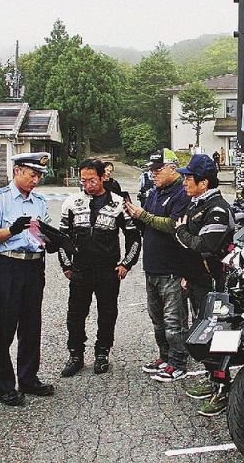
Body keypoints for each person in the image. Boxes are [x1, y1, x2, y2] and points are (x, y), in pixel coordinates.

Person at [0, 152, 55, 406]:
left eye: (39, 176)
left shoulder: (39, 200)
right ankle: (4, 385)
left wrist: (52, 240)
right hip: (9, 264)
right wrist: (13, 229)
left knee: (31, 324)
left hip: (34, 266)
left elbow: (43, 231)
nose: (36, 180)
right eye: (32, 174)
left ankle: (28, 377)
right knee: (4, 326)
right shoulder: (0, 198)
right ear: (17, 171)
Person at [58, 158, 141, 376]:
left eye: (91, 180)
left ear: (103, 176)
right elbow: (61, 237)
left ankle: (102, 353)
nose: (87, 185)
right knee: (75, 314)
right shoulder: (71, 203)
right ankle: (75, 354)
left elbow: (134, 237)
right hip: (80, 269)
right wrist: (66, 265)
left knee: (107, 313)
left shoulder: (118, 203)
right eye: (83, 181)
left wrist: (126, 263)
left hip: (108, 270)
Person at [173, 154, 234, 416]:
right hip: (197, 280)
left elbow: (204, 245)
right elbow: (192, 249)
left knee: (219, 336)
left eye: (189, 178)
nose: (184, 182)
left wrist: (181, 232)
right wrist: (186, 271)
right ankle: (213, 381)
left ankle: (224, 390)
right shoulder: (196, 203)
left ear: (204, 182)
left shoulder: (217, 209)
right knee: (202, 334)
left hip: (216, 283)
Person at [124, 149, 191, 382]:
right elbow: (147, 226)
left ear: (173, 168)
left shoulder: (183, 193)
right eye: (150, 169)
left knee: (175, 321)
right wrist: (135, 216)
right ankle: (165, 357)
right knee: (157, 319)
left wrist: (144, 216)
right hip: (152, 265)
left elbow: (174, 225)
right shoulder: (153, 193)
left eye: (158, 169)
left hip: (173, 266)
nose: (153, 173)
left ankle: (179, 361)